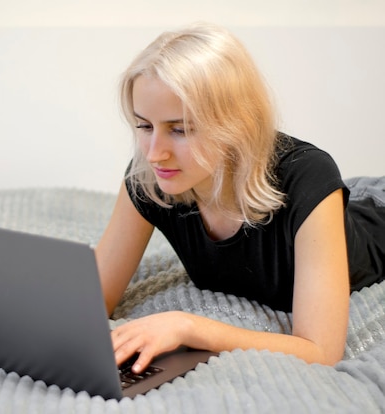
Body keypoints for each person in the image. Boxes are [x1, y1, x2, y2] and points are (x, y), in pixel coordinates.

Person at [95, 22, 385, 376]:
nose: (155, 154)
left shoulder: (308, 176)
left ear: (236, 125)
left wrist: (189, 327)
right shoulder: (149, 179)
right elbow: (92, 300)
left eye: (180, 129)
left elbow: (322, 351)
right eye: (144, 126)